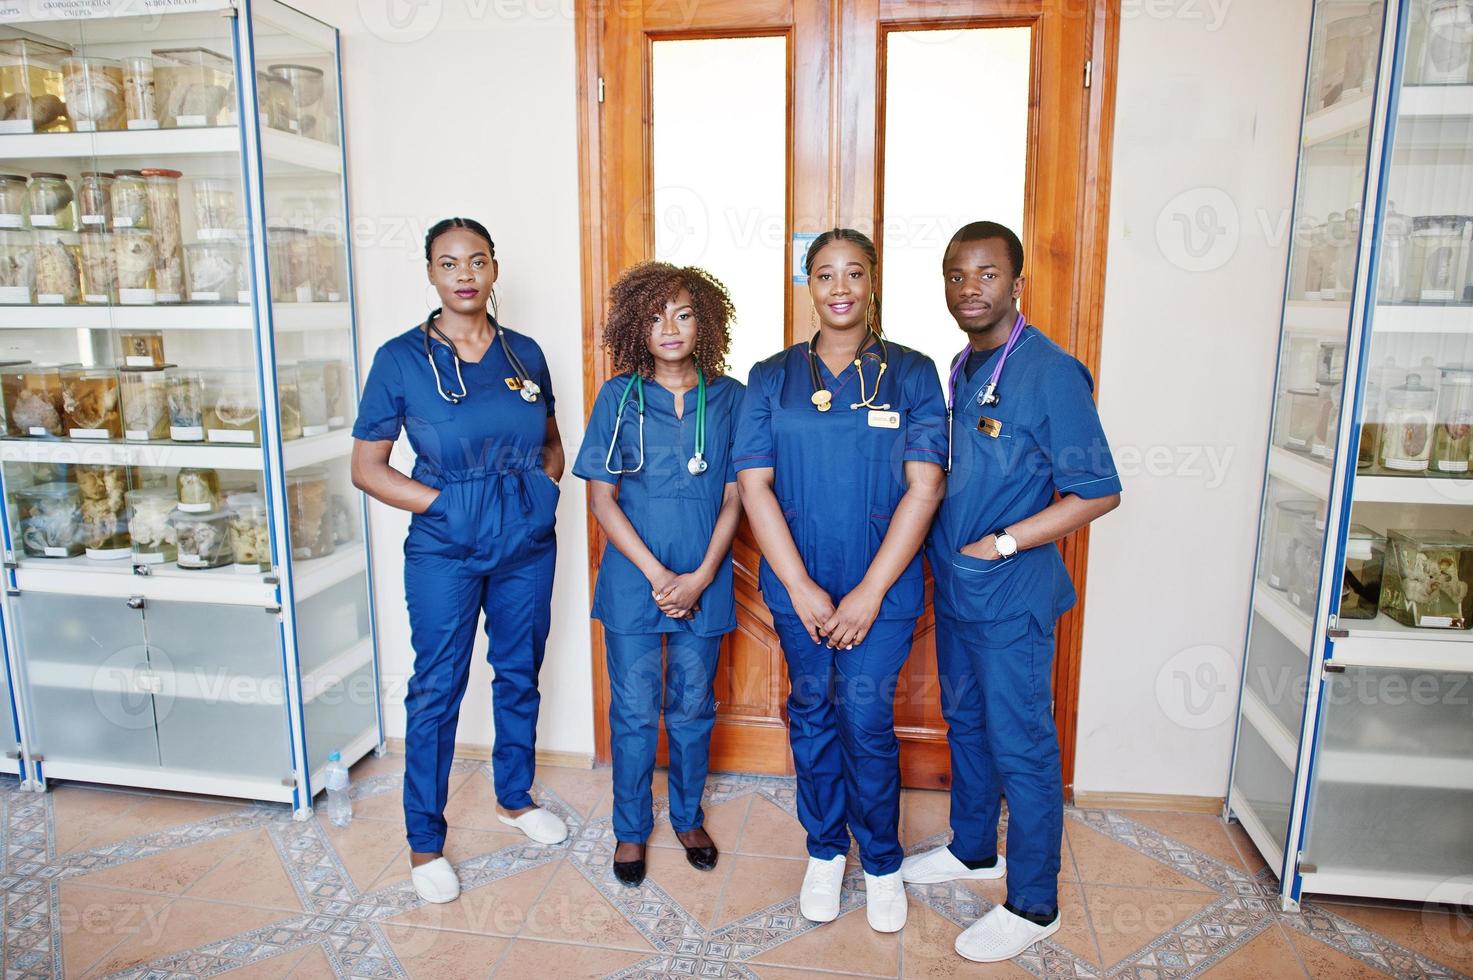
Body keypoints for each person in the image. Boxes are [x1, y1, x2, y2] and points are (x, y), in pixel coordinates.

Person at [902, 221, 1121, 962]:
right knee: (967, 725)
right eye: (956, 275)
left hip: (1011, 592)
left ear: (1016, 282)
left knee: (1021, 745)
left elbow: (1096, 490)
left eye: (986, 274)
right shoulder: (963, 364)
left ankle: (1033, 902)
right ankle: (972, 851)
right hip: (960, 591)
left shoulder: (1050, 370)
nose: (970, 289)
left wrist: (1000, 543)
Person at [350, 217, 568, 907]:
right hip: (445, 545)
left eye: (476, 261)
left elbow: (552, 443)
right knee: (437, 685)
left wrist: (540, 493)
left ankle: (513, 796)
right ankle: (424, 839)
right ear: (431, 275)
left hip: (525, 543)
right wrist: (441, 505)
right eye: (449, 263)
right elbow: (367, 468)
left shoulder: (524, 354)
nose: (464, 274)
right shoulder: (399, 359)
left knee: (518, 671)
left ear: (495, 269)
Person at [734, 228, 946, 933]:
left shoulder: (911, 374)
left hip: (878, 591)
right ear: (808, 285)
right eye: (825, 275)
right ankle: (825, 849)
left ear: (873, 280)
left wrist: (866, 593)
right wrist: (797, 587)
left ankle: (881, 861)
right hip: (800, 586)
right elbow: (754, 485)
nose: (840, 288)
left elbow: (925, 487)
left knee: (864, 720)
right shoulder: (771, 376)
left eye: (853, 273)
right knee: (812, 712)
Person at [573, 262, 744, 888]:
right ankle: (629, 830)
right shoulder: (618, 397)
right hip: (632, 585)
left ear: (705, 321)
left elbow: (736, 496)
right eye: (654, 316)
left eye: (683, 313)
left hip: (706, 581)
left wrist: (697, 577)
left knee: (695, 707)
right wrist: (657, 575)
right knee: (635, 711)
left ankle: (688, 816)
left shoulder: (731, 398)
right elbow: (601, 499)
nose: (669, 328)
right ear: (635, 326)